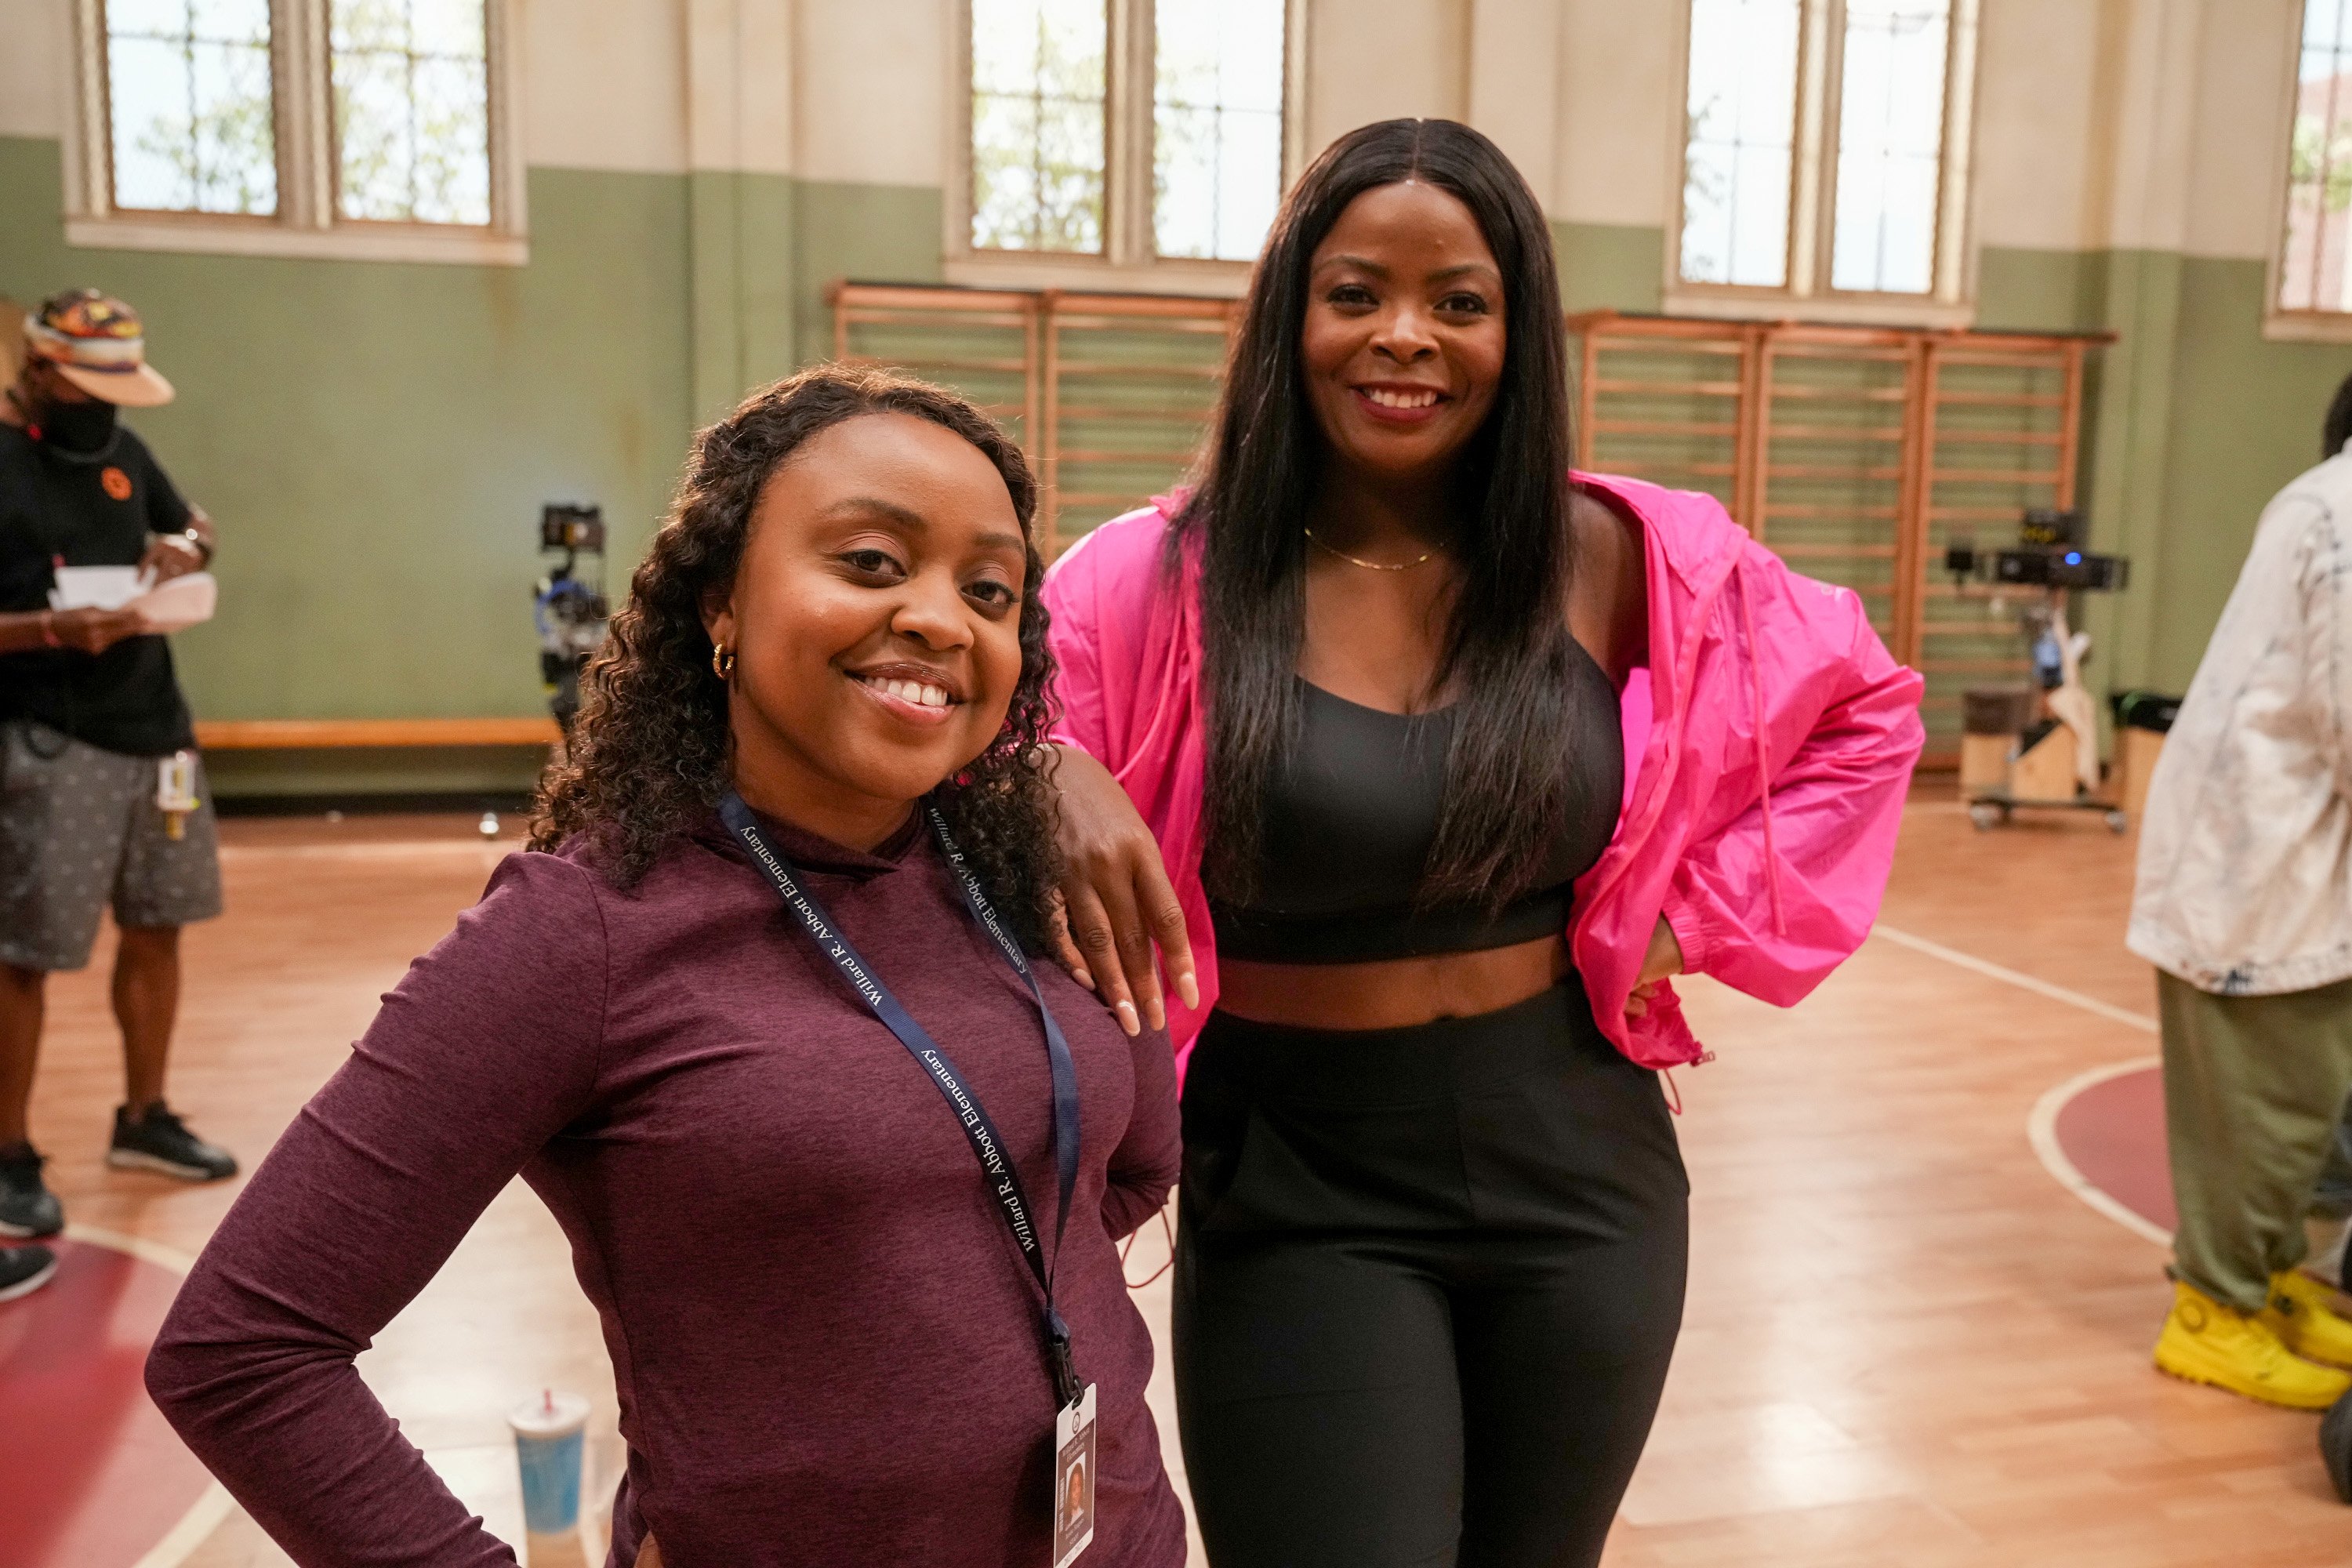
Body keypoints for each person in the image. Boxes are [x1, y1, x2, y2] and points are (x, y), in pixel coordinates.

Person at [1040, 119, 1925, 1568]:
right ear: (1289, 318)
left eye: (1459, 300)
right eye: (1355, 294)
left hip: (1578, 1155)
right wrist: (1048, 766)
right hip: (1297, 1169)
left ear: (1517, 333)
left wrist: (1693, 920)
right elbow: (963, 732)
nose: (1406, 337)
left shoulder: (1618, 556)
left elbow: (1867, 706)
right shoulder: (1151, 579)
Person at [145, 366, 1189, 1567]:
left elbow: (1131, 1167)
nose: (942, 620)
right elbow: (242, 1350)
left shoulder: (1027, 868)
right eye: (868, 563)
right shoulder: (589, 930)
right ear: (720, 606)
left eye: (990, 589)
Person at [0, 289, 236, 1299]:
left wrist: (185, 550)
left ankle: (145, 1119)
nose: (110, 406)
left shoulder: (126, 456)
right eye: (91, 385)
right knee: (27, 950)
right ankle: (9, 1157)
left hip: (160, 739)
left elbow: (194, 532)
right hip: (55, 744)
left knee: (161, 923)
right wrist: (51, 633)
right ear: (40, 370)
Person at [2130, 368, 2352, 1412]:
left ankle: (2256, 1287)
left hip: (2290, 862)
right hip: (2256, 871)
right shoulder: (2344, 513)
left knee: (2295, 1109)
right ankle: (2212, 1315)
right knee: (2262, 1115)